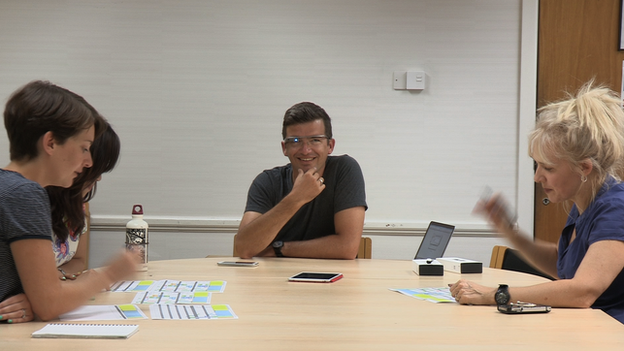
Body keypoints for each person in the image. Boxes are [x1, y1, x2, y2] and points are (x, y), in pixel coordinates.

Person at [449, 82, 624, 324]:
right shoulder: (584, 202)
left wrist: (495, 295)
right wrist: (511, 233)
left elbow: (583, 291)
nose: (537, 177)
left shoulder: (616, 209)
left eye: (549, 168)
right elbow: (563, 265)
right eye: (537, 164)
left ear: (584, 168)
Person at [0, 80, 137, 323]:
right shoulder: (25, 194)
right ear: (51, 143)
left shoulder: (10, 187)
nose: (89, 163)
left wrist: (34, 299)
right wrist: (111, 274)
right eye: (85, 148)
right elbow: (50, 305)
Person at [235, 102, 367, 259]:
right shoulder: (267, 181)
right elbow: (243, 248)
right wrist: (295, 199)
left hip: (333, 277)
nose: (306, 150)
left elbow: (347, 248)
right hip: (275, 278)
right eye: (295, 141)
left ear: (330, 145)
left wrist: (279, 249)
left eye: (315, 140)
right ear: (285, 148)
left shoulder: (345, 169)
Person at [47, 122, 120, 279]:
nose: (98, 178)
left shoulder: (78, 206)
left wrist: (58, 276)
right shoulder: (27, 201)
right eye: (96, 170)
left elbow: (79, 261)